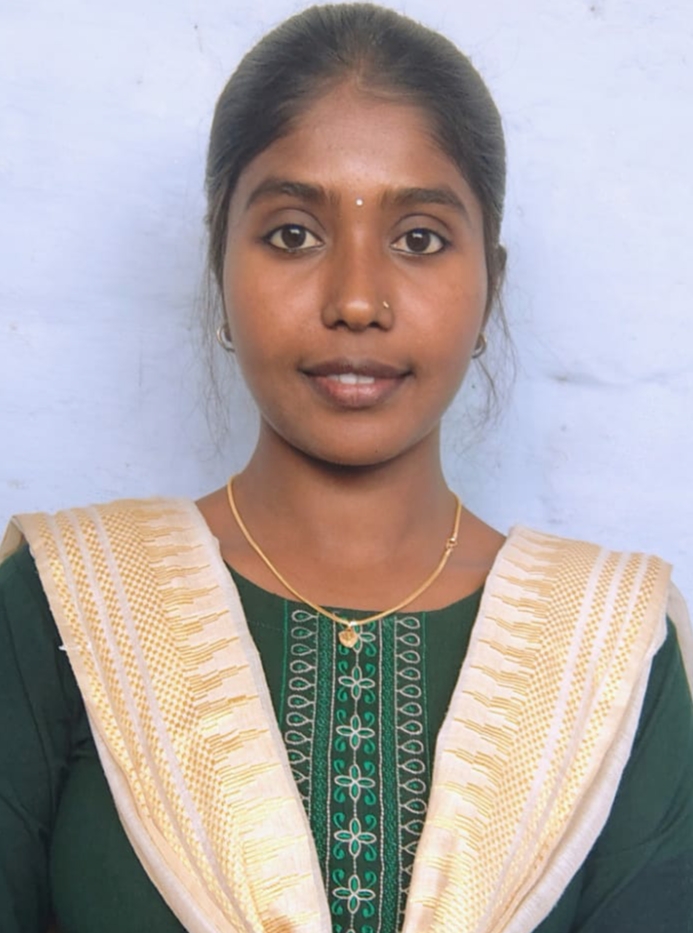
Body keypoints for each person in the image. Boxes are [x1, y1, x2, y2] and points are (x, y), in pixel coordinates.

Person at [1, 4, 692, 932]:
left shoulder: (610, 648)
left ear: (490, 284)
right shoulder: (67, 602)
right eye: (293, 233)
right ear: (219, 271)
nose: (357, 299)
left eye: (419, 238)